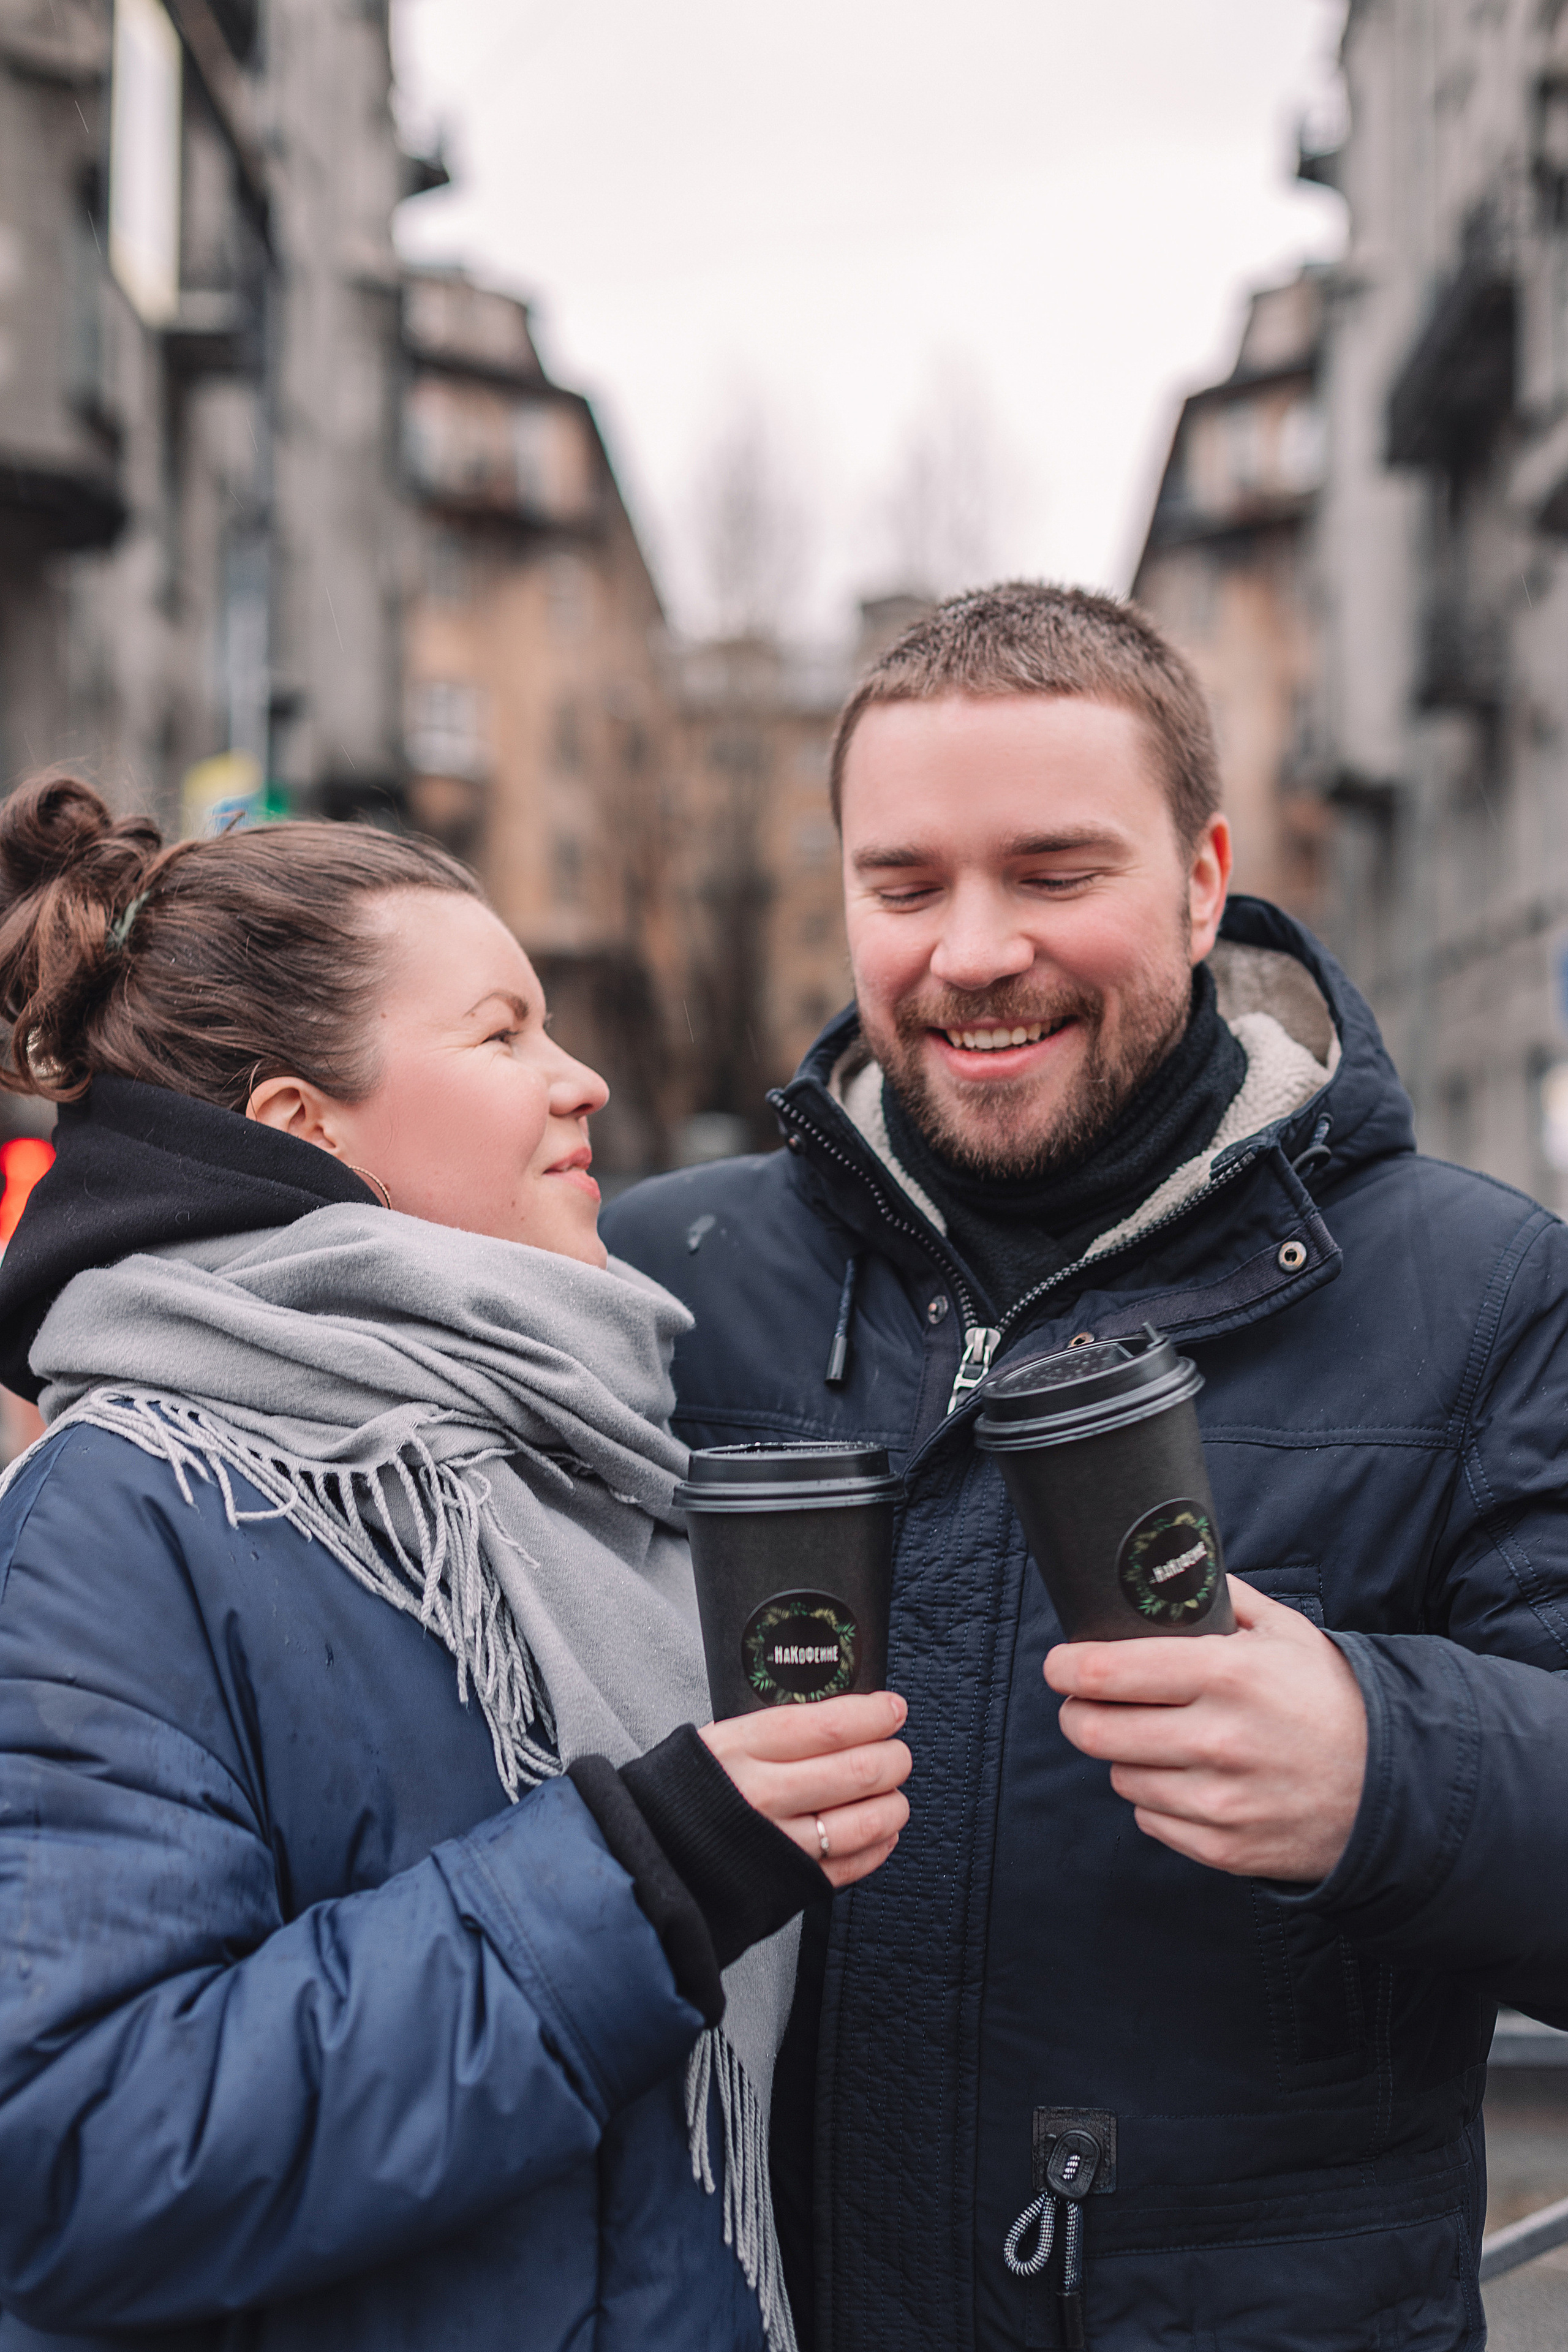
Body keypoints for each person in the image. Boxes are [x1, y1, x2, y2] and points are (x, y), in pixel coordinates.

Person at [603, 581, 1568, 2352]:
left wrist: (1389, 1767)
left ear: (1204, 882)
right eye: (904, 886)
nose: (971, 950)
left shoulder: (1489, 1293)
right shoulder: (654, 1281)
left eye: (1054, 875)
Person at [0, 775, 911, 2351]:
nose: (584, 1081)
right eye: (502, 1036)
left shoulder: (582, 1453)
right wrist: (645, 1884)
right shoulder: (127, 1509)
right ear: (300, 1125)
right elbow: (79, 2156)